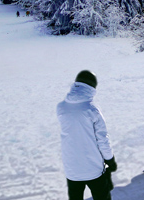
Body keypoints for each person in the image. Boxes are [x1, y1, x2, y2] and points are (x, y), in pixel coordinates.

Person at [56, 70, 116, 200]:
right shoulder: (92, 109)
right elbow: (102, 140)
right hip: (93, 168)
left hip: (71, 167)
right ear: (92, 87)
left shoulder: (61, 107)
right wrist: (110, 160)